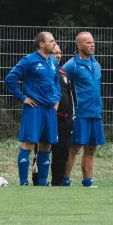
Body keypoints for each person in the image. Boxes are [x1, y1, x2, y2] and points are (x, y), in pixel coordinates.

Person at [5, 32, 61, 186]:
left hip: (50, 109)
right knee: (28, 144)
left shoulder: (53, 62)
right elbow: (10, 78)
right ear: (41, 44)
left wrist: (57, 98)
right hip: (34, 108)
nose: (54, 43)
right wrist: (23, 98)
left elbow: (56, 82)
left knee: (47, 144)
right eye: (51, 41)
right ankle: (24, 182)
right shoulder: (29, 60)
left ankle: (42, 183)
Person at [62, 32, 105, 187]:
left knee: (91, 148)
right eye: (88, 43)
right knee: (73, 147)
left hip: (95, 113)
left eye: (93, 42)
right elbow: (61, 85)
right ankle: (64, 180)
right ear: (79, 45)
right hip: (79, 114)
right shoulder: (71, 65)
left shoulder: (96, 64)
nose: (92, 45)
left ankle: (87, 182)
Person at [32, 43, 76, 186]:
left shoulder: (63, 73)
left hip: (65, 121)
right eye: (54, 53)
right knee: (43, 151)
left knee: (62, 153)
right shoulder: (41, 72)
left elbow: (70, 96)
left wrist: (71, 116)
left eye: (59, 53)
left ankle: (58, 182)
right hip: (48, 118)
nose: (58, 55)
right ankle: (38, 181)